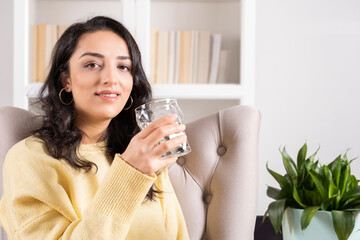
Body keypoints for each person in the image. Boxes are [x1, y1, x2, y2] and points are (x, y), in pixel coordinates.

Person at [0, 16, 190, 239]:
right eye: (92, 64)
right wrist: (131, 171)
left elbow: (176, 234)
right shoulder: (28, 158)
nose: (111, 78)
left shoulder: (142, 151)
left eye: (123, 67)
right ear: (66, 80)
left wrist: (138, 165)